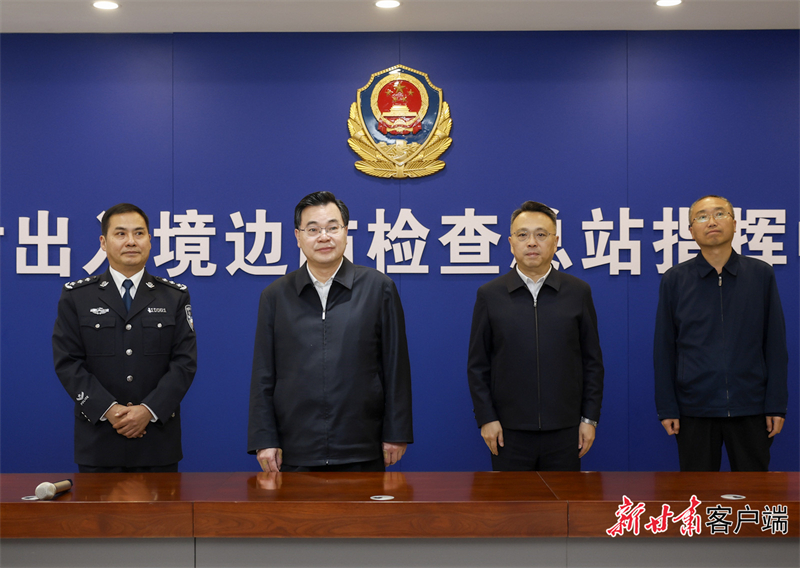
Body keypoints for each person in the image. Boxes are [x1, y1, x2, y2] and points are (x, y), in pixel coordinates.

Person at [248, 191, 413, 472]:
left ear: (346, 232)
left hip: (362, 446)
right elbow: (264, 373)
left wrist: (396, 433)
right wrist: (264, 439)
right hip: (296, 449)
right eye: (313, 230)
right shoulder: (275, 296)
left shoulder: (378, 288)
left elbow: (395, 365)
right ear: (298, 236)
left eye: (332, 228)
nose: (324, 237)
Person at [52, 203, 197, 472]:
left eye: (139, 233)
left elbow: (184, 363)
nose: (131, 241)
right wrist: (109, 410)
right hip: (98, 441)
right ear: (103, 242)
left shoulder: (174, 296)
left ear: (150, 240)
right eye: (120, 234)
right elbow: (68, 362)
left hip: (157, 443)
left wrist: (148, 410)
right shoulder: (77, 296)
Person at [654, 195, 788, 471]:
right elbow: (664, 348)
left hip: (751, 406)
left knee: (752, 491)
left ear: (735, 224)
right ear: (691, 230)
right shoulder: (675, 279)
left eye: (720, 214)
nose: (712, 222)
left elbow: (775, 344)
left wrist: (776, 405)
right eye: (702, 217)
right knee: (697, 491)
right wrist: (667, 407)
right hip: (694, 408)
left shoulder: (760, 275)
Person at [467, 201, 604, 471]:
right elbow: (478, 365)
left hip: (566, 430)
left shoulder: (578, 292)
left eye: (541, 234)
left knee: (562, 499)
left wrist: (589, 419)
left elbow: (592, 362)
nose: (532, 242)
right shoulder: (490, 295)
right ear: (510, 243)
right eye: (523, 235)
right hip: (508, 432)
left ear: (556, 242)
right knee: (513, 500)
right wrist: (486, 418)